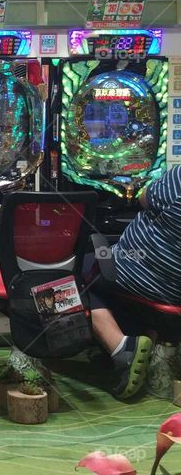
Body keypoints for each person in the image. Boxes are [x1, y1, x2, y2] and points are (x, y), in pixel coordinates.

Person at [82, 166, 181, 398]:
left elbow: (143, 198)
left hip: (137, 273)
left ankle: (121, 348)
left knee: (74, 271)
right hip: (175, 294)